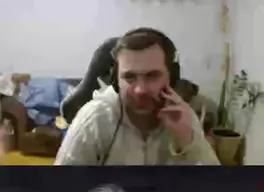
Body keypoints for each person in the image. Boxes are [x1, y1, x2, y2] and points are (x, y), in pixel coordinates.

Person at [54, 28, 218, 166]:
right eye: (130, 77)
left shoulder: (184, 117)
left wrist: (188, 142)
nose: (140, 90)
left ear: (172, 77)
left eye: (152, 75)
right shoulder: (95, 119)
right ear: (116, 81)